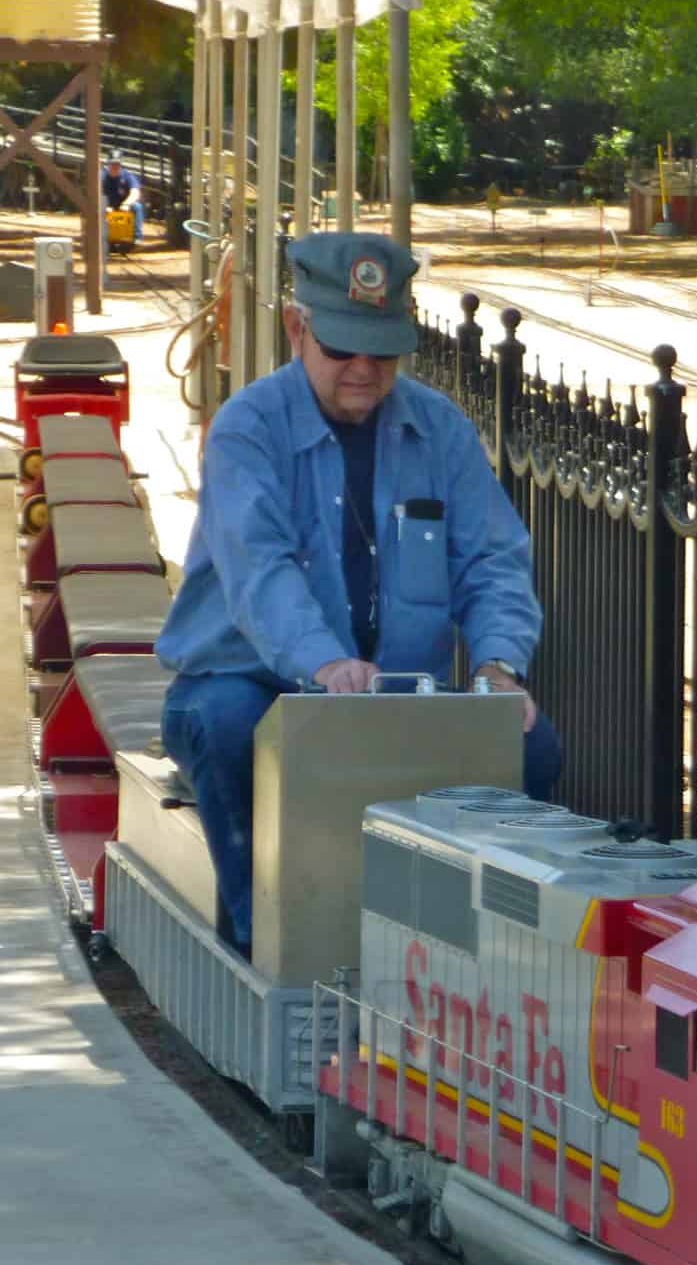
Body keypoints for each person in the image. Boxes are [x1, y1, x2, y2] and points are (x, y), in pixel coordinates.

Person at [156, 230, 561, 957]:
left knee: (531, 748)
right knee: (229, 726)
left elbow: (493, 560)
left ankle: (471, 954)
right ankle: (264, 947)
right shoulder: (247, 428)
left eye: (383, 350)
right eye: (342, 348)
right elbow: (261, 569)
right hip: (251, 680)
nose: (364, 369)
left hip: (392, 696)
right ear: (296, 328)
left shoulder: (440, 429)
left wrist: (499, 665)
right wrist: (324, 663)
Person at [102, 153, 145, 241]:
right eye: (112, 164)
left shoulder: (127, 175)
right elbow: (95, 193)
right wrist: (104, 206)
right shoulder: (102, 176)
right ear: (108, 164)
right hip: (107, 205)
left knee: (137, 207)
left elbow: (135, 192)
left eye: (117, 164)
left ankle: (137, 237)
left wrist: (126, 204)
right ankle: (100, 236)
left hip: (123, 206)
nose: (115, 166)